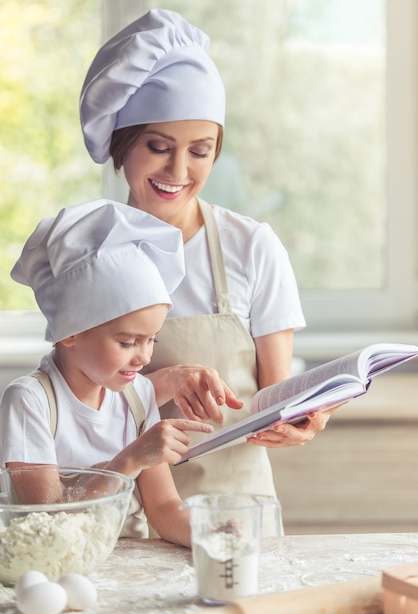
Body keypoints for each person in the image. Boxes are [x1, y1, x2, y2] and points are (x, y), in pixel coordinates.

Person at [79, 9, 339, 508]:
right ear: (123, 144)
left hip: (235, 512)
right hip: (118, 509)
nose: (179, 169)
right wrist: (165, 382)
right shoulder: (88, 253)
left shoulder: (252, 247)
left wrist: (305, 417)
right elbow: (70, 406)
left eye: (200, 151)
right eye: (158, 147)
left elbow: (274, 390)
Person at [0, 198, 214, 547]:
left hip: (129, 569)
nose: (144, 357)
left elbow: (164, 507)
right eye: (128, 342)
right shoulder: (30, 401)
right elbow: (47, 519)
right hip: (54, 569)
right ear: (70, 332)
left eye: (151, 341)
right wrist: (131, 458)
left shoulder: (138, 395)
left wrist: (213, 535)